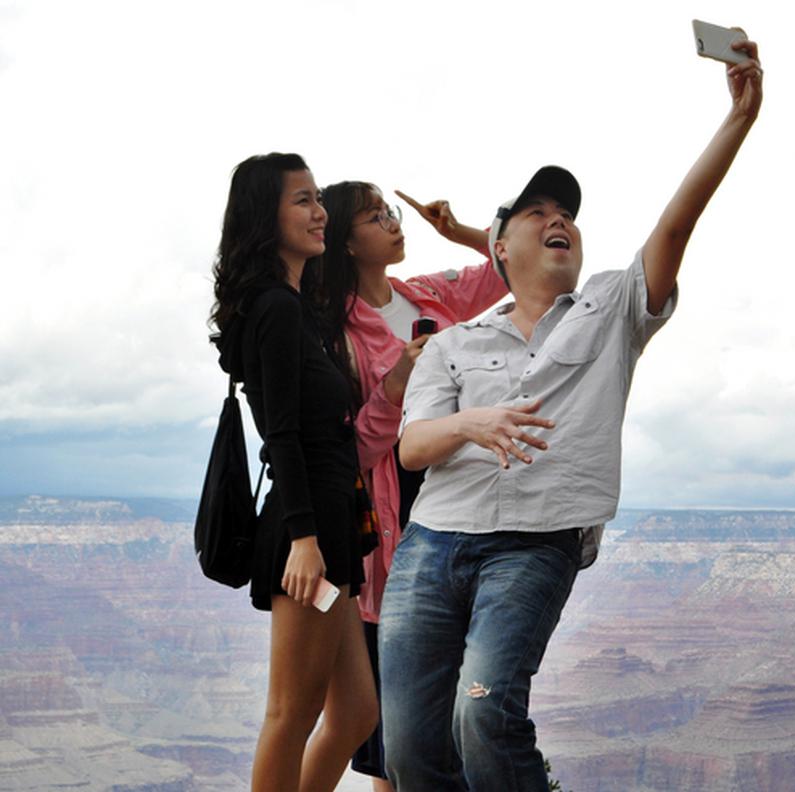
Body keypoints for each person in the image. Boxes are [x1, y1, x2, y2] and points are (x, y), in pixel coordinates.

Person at [378, 34, 763, 792]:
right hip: (431, 548)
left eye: (569, 215)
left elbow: (677, 224)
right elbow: (412, 447)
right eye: (538, 212)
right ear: (501, 247)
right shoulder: (455, 342)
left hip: (534, 546)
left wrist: (739, 119)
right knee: (410, 750)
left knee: (483, 715)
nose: (561, 221)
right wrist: (472, 424)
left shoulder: (613, 307)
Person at [314, 180, 508, 788]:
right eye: (376, 218)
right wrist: (397, 381)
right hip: (394, 529)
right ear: (345, 241)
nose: (394, 225)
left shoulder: (426, 293)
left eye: (391, 213)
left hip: (462, 510)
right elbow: (353, 450)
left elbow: (508, 269)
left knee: (449, 711)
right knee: (392, 738)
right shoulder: (337, 330)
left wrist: (460, 232)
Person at [210, 152, 378, 792]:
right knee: (291, 713)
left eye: (319, 199)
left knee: (357, 711)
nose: (320, 213)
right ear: (266, 217)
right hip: (304, 529)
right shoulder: (275, 309)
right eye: (303, 200)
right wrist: (305, 540)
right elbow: (280, 433)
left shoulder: (296, 306)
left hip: (332, 524)